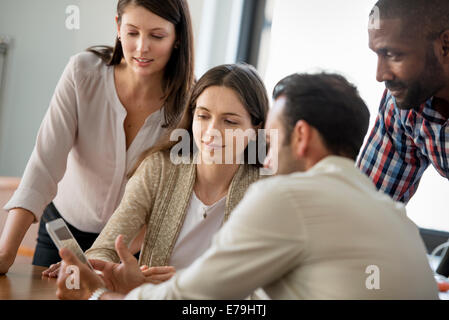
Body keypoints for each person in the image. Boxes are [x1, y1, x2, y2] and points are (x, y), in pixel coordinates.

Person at [55, 73, 439, 300]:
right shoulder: (396, 216)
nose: (268, 153)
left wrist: (100, 294)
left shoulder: (283, 196)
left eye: (272, 134)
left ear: (300, 136)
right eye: (203, 116)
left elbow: (194, 299)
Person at [0, 0, 195, 274]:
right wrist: (5, 253)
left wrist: (98, 262)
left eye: (157, 35)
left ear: (177, 38)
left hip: (131, 248)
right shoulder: (83, 72)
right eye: (132, 32)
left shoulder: (192, 105)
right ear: (117, 27)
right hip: (63, 229)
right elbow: (43, 166)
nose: (141, 47)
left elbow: (172, 200)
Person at [54, 63, 267, 285]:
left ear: (255, 130)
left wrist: (185, 285)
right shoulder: (160, 169)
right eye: (203, 116)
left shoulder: (268, 189)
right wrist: (97, 270)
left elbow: (264, 285)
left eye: (230, 121)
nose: (212, 131)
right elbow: (104, 249)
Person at [357, 0, 449, 204]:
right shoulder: (404, 104)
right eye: (378, 54)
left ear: (445, 46)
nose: (380, 75)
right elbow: (368, 206)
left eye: (393, 55)